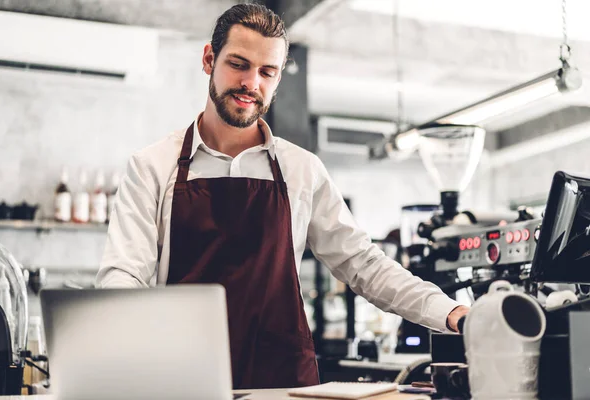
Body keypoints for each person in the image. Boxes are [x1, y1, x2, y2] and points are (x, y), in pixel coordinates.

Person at [96, 3, 468, 390]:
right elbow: (123, 276)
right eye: (238, 64)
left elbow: (364, 265)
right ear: (209, 59)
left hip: (284, 384)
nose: (250, 83)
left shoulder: (301, 170)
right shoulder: (152, 166)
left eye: (266, 72)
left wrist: (452, 312)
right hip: (182, 380)